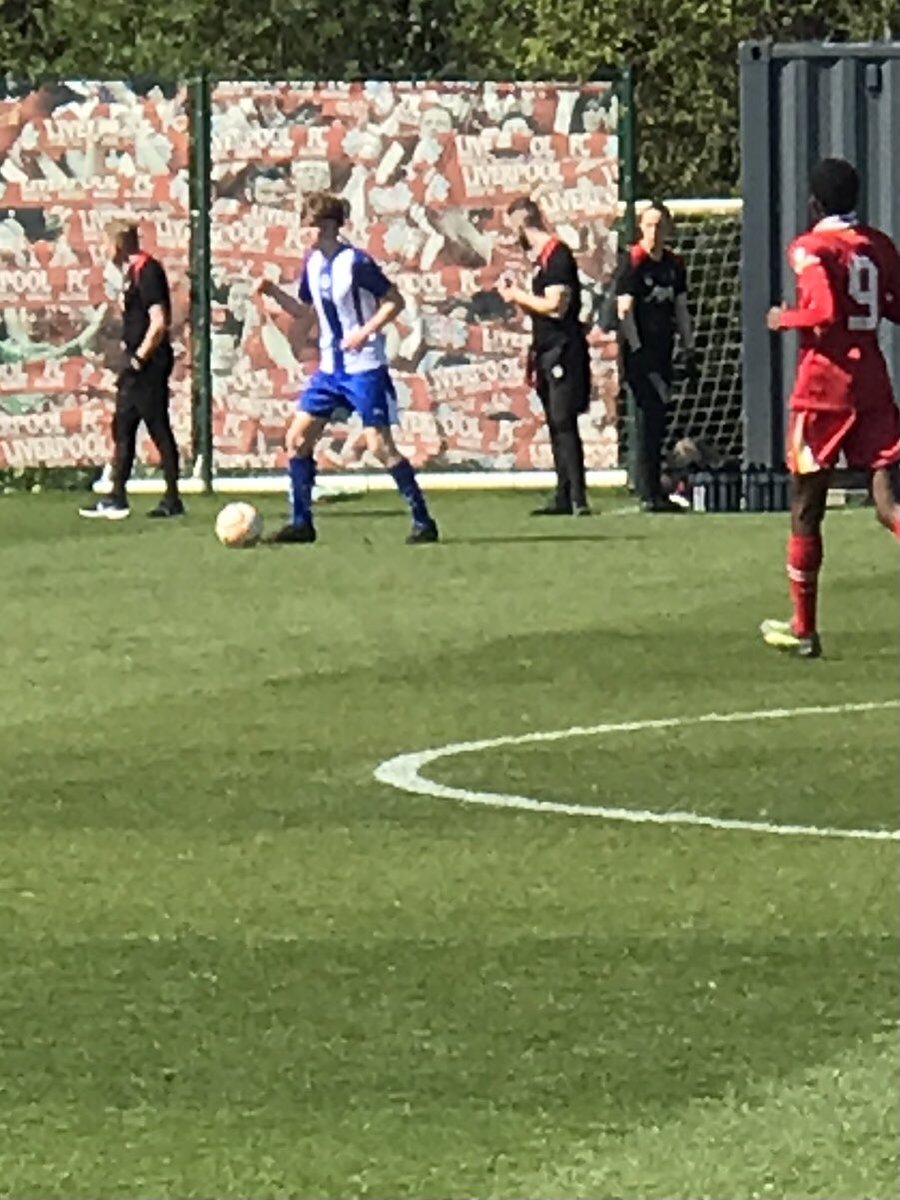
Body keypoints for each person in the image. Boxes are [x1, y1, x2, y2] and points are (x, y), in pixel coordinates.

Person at [761, 157, 900, 658]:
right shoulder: (878, 245)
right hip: (873, 382)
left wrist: (784, 318)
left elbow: (823, 310)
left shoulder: (809, 248)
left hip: (823, 389)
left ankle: (804, 628)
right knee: (888, 500)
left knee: (806, 504)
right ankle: (802, 629)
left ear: (815, 202)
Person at [261, 192, 438, 545]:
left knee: (379, 445)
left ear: (326, 226)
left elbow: (394, 301)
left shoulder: (356, 262)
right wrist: (272, 293)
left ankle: (422, 519)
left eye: (308, 225)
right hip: (329, 369)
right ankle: (301, 523)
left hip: (364, 367)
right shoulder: (311, 263)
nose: (304, 232)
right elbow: (304, 311)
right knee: (297, 439)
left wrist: (364, 331)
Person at [79, 218, 183, 520]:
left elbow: (159, 320)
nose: (103, 250)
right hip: (134, 362)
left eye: (105, 243)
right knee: (123, 426)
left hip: (148, 364)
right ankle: (116, 495)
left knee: (157, 426)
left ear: (118, 244)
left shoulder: (147, 270)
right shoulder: (129, 273)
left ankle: (172, 497)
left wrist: (140, 358)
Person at [499, 196, 591, 516]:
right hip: (545, 348)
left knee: (564, 420)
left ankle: (578, 497)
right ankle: (563, 493)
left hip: (562, 350)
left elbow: (556, 305)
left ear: (522, 225)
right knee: (554, 420)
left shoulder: (556, 255)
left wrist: (517, 296)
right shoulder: (540, 261)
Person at [616, 202, 698, 512]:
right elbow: (625, 309)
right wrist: (637, 350)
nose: (655, 232)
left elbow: (680, 308)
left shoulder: (674, 265)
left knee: (659, 419)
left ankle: (654, 488)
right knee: (648, 417)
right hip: (640, 353)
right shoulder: (633, 262)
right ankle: (648, 490)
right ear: (640, 228)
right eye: (649, 226)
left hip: (664, 350)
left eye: (660, 225)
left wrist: (689, 348)